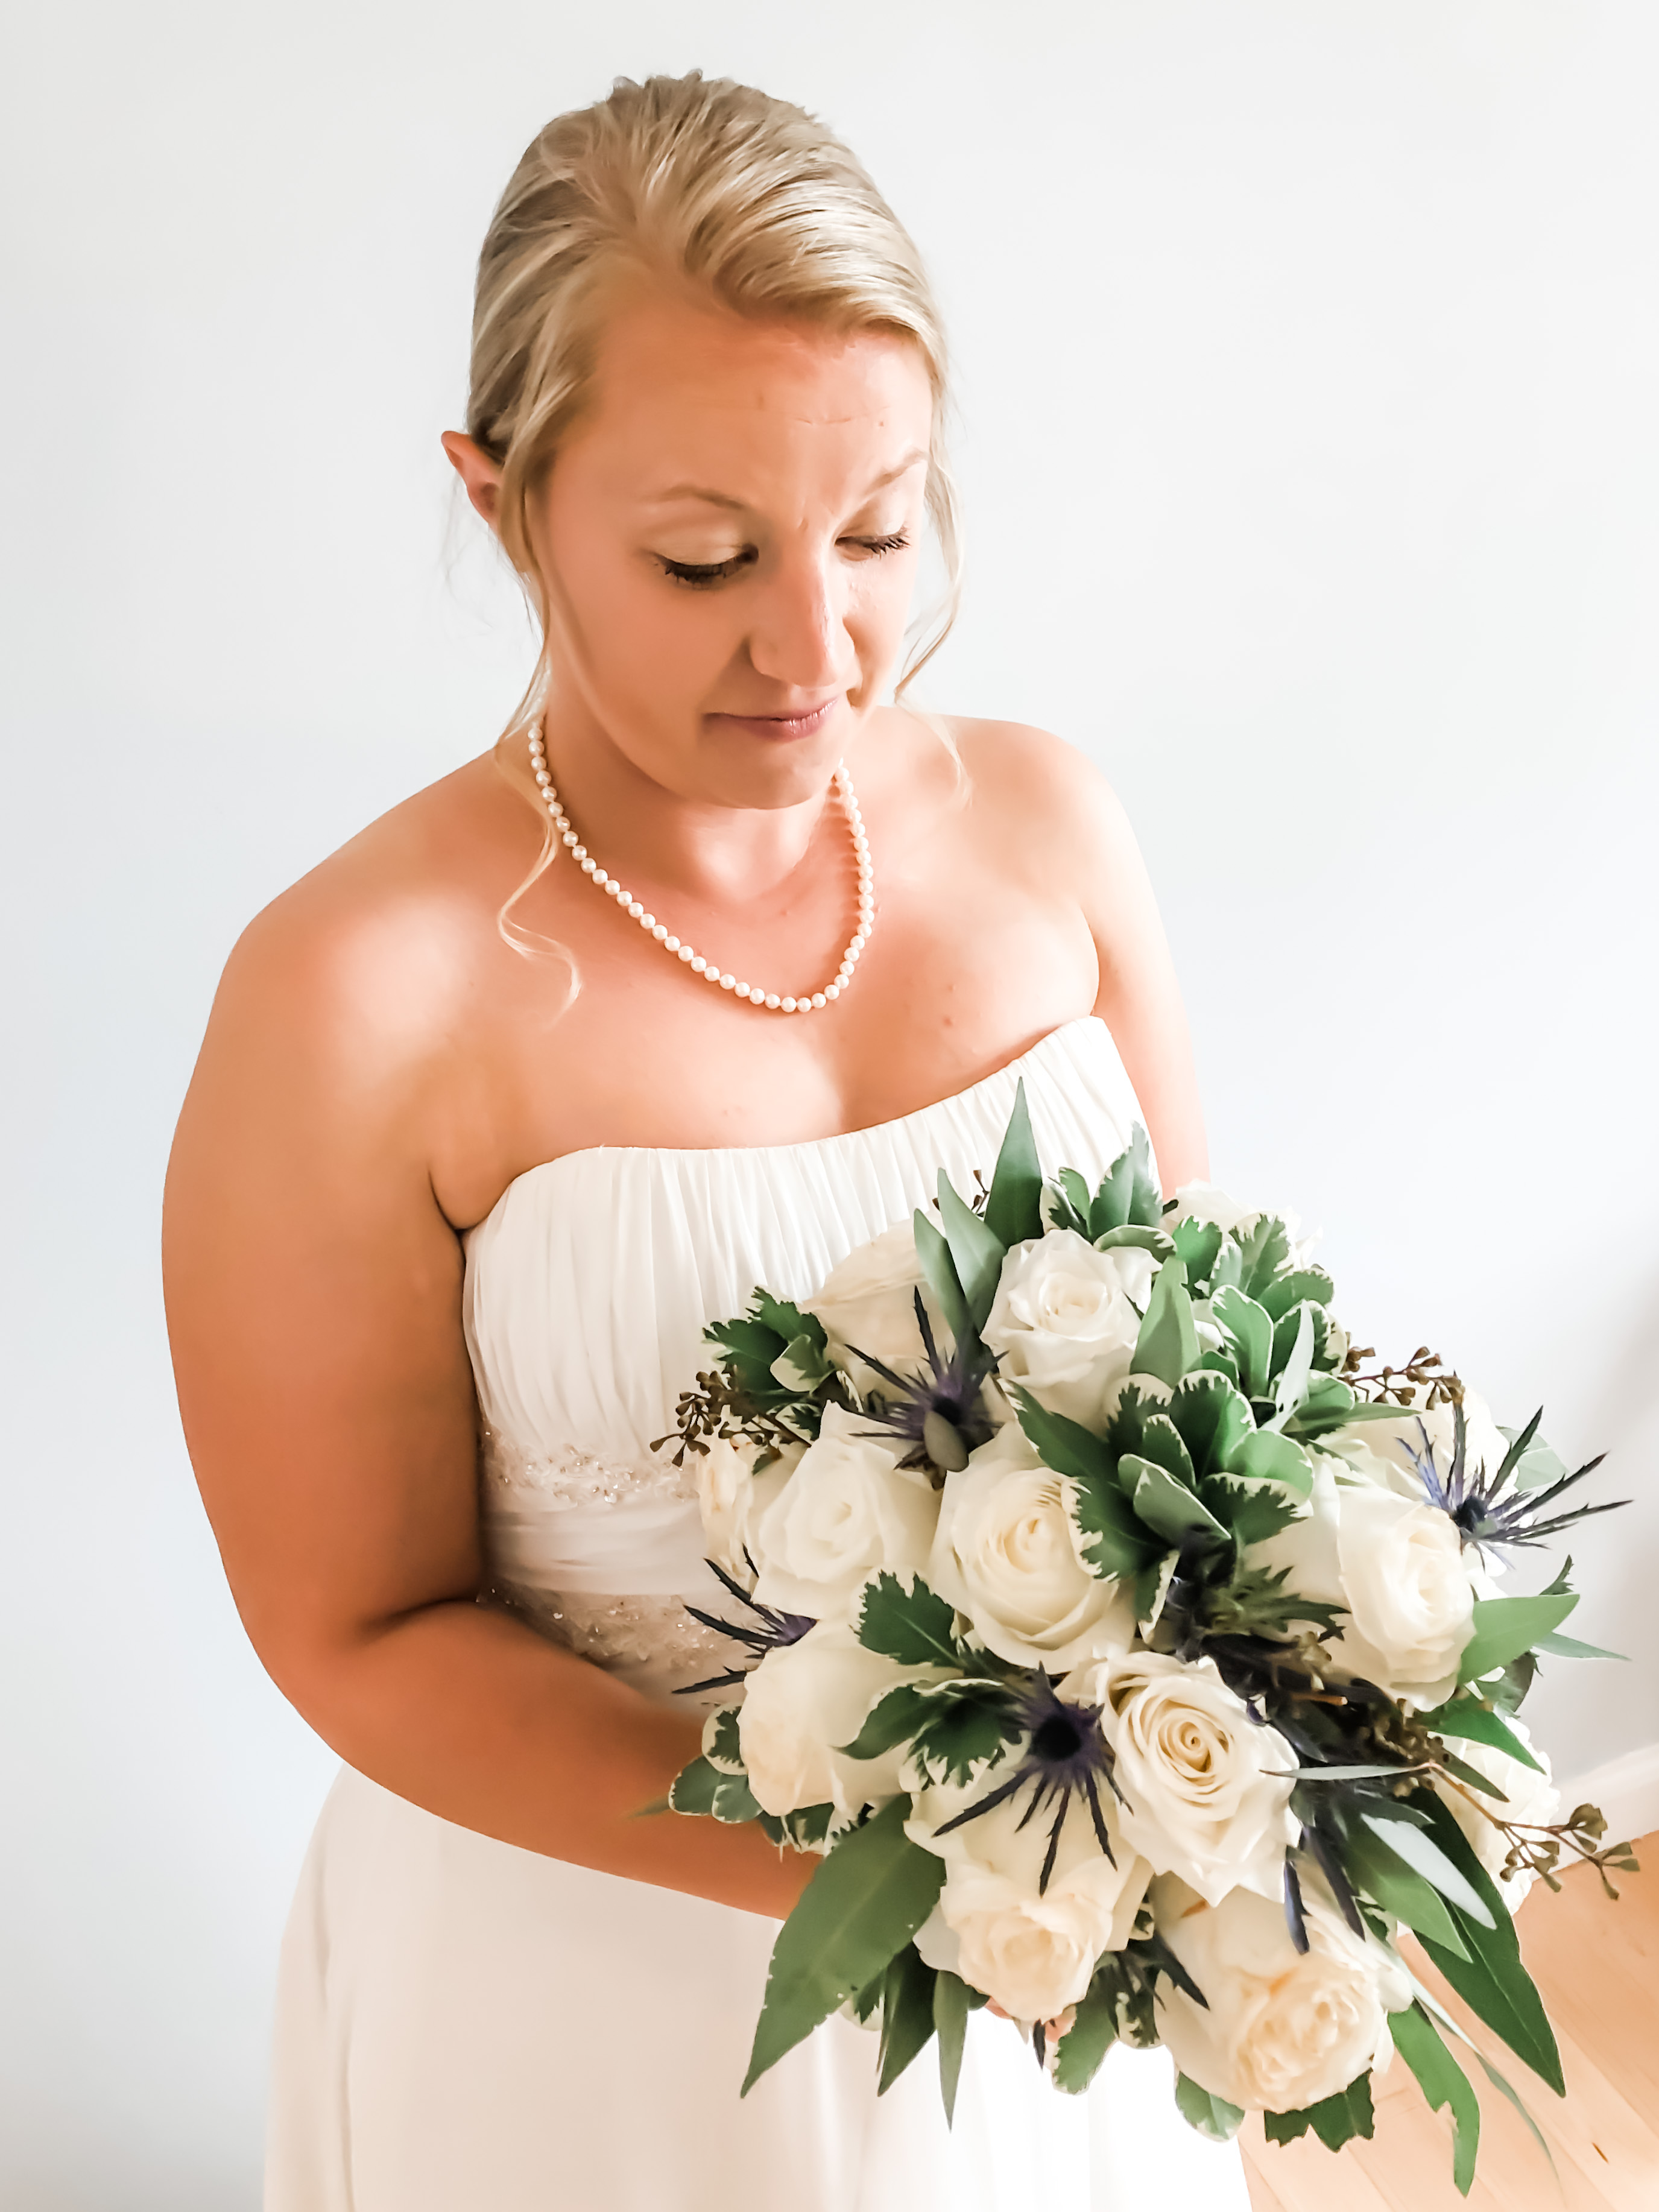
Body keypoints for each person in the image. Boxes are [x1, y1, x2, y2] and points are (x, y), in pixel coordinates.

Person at [163, 71, 1254, 2212]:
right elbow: (351, 1631)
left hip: (1054, 1938)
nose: (816, 646)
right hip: (600, 2009)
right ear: (501, 504)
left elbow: (1206, 1385)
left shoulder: (1050, 827)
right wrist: (875, 1866)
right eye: (702, 557)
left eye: (875, 529)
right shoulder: (352, 992)